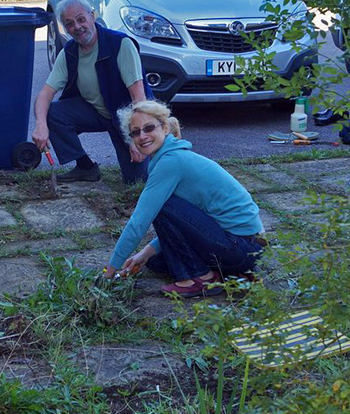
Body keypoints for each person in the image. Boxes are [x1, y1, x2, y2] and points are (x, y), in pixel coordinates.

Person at [104, 99, 266, 297]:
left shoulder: (171, 162)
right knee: (155, 262)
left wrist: (110, 272)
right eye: (135, 132)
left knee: (161, 207)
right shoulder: (168, 155)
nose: (142, 136)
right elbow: (186, 223)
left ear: (164, 128)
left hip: (242, 248)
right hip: (242, 247)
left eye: (148, 128)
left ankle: (202, 279)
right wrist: (144, 253)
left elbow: (139, 222)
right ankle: (234, 275)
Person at [32, 0, 152, 184]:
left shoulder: (121, 44)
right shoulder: (69, 53)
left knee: (136, 181)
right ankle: (85, 168)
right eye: (69, 24)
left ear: (92, 16)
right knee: (51, 112)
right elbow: (45, 94)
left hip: (129, 117)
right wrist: (40, 125)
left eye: (81, 19)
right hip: (97, 112)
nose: (77, 27)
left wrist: (137, 137)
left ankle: (159, 158)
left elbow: (139, 98)